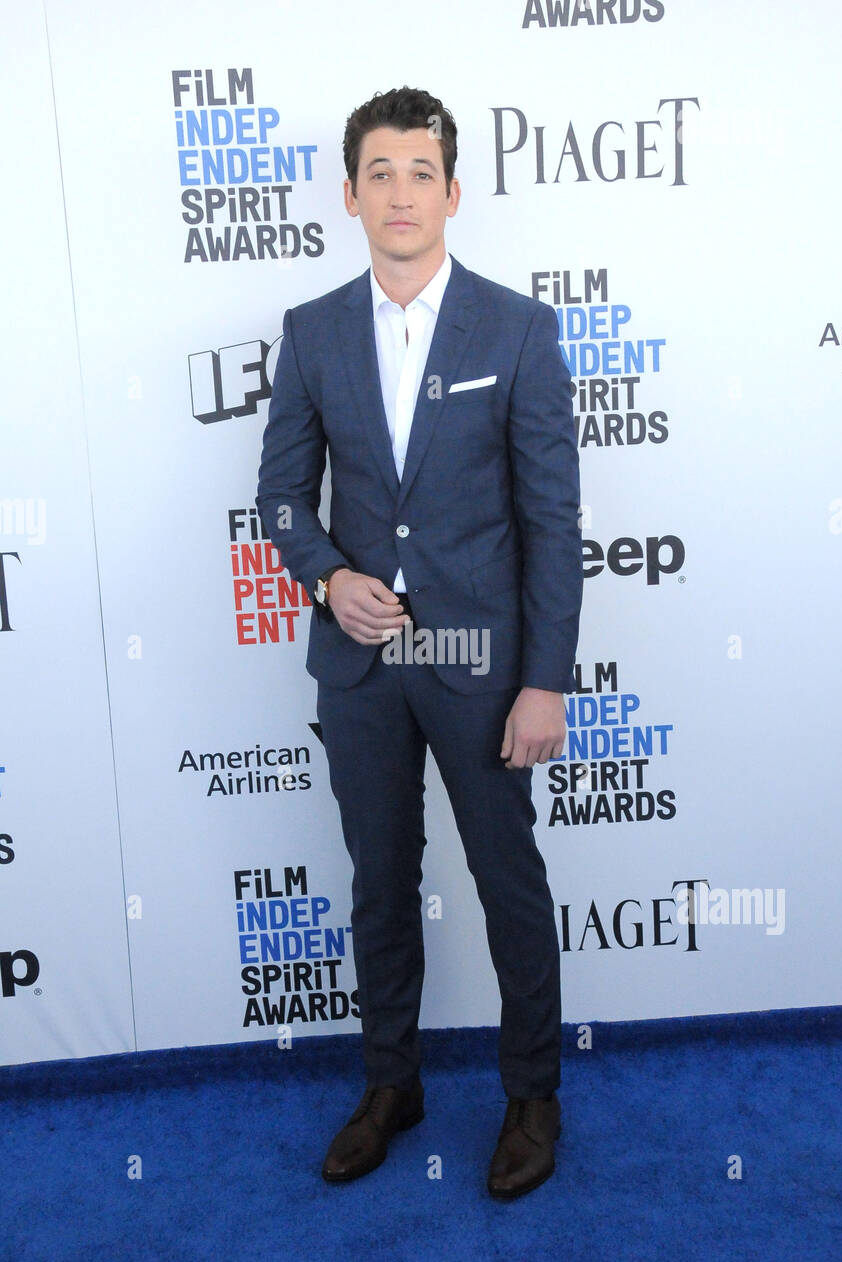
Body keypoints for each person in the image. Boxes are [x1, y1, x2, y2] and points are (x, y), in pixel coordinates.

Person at [257, 86, 582, 1199]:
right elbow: (281, 497)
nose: (400, 193)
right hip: (359, 665)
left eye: (419, 172)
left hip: (480, 666)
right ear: (349, 195)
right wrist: (330, 575)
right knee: (378, 883)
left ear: (453, 191)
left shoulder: (517, 330)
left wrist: (542, 681)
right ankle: (391, 1084)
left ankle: (532, 1096)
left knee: (506, 880)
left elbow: (550, 521)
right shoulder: (309, 333)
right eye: (378, 173)